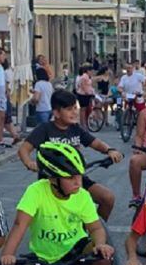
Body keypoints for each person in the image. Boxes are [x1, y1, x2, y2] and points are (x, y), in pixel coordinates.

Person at [0, 143, 114, 265]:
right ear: (53, 178)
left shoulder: (82, 196)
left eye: (79, 176)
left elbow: (95, 228)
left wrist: (100, 244)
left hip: (76, 248)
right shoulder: (36, 192)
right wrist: (8, 254)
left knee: (103, 258)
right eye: (70, 178)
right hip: (45, 257)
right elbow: (19, 225)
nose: (78, 182)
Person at [17, 90, 123, 220]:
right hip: (52, 182)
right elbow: (23, 149)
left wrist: (110, 150)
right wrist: (29, 163)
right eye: (69, 109)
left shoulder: (76, 129)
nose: (74, 112)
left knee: (107, 198)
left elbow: (95, 143)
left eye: (75, 108)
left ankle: (92, 230)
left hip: (77, 178)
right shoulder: (45, 129)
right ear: (56, 113)